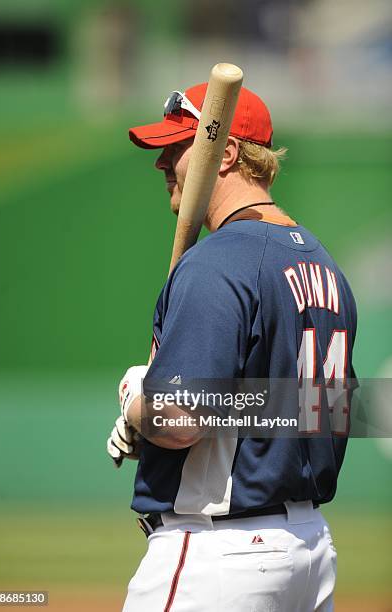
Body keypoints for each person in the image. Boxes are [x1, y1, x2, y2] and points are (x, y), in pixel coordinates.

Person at [107, 82, 357, 611]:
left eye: (176, 147)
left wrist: (137, 401)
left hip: (218, 554)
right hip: (310, 551)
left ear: (227, 154)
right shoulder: (326, 267)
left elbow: (180, 421)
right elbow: (316, 409)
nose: (161, 164)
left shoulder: (218, 262)